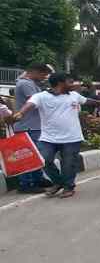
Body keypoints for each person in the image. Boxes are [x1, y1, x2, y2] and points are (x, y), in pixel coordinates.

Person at [13, 73, 100, 198]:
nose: (73, 85)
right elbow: (29, 105)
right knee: (44, 160)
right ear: (60, 83)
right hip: (48, 137)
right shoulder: (41, 96)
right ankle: (58, 182)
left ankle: (68, 186)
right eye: (70, 82)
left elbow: (87, 101)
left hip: (72, 137)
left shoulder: (74, 95)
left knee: (68, 164)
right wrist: (20, 114)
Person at [12, 64, 52, 194]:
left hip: (32, 125)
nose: (44, 77)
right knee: (28, 156)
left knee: (36, 155)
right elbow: (35, 102)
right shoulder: (26, 84)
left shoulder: (31, 83)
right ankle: (26, 183)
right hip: (27, 126)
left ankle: (37, 179)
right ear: (34, 72)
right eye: (43, 74)